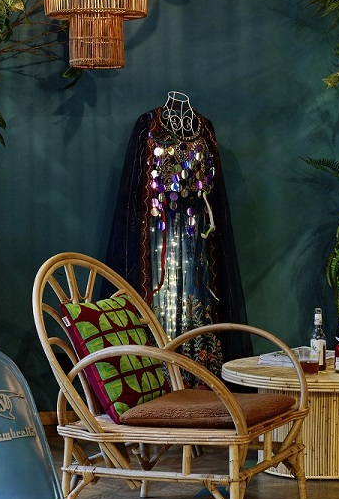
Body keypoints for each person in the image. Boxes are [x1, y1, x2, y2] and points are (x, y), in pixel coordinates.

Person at [106, 92, 251, 374]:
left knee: (197, 290)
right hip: (158, 232)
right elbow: (135, 187)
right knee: (161, 293)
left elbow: (214, 189)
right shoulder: (150, 126)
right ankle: (159, 365)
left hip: (195, 234)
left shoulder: (204, 128)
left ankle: (199, 367)